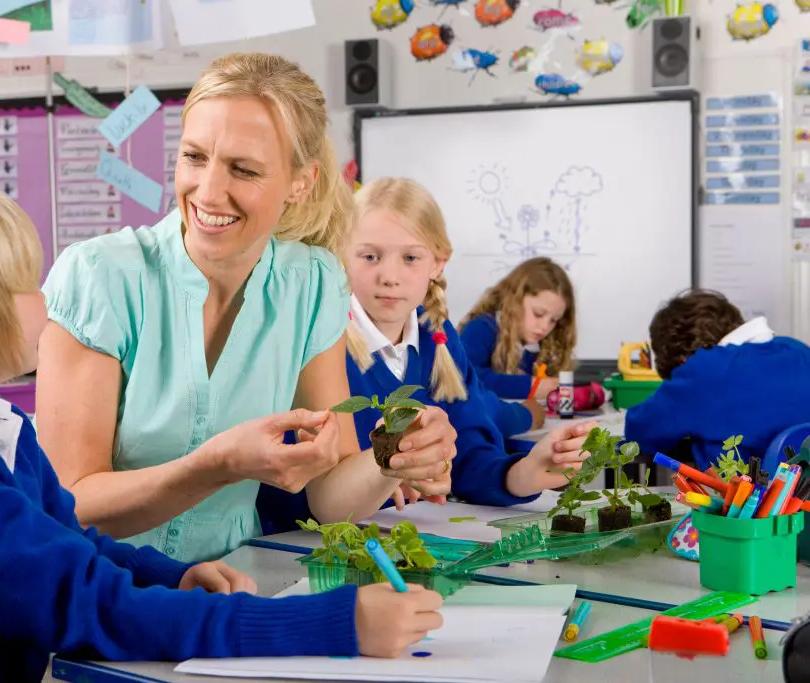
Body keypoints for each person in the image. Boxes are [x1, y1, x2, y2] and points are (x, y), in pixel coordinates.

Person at [0, 178, 445, 682]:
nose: (46, 299)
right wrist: (334, 625)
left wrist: (169, 576)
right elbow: (91, 608)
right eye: (25, 286)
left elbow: (73, 545)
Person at [36, 52, 457, 563]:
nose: (208, 191)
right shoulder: (102, 276)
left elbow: (329, 499)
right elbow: (69, 506)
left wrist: (394, 456)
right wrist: (220, 464)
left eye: (244, 169)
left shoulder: (313, 282)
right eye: (194, 157)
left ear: (300, 181)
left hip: (233, 586)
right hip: (99, 594)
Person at [341, 178, 594, 505]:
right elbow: (307, 482)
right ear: (343, 254)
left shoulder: (437, 335)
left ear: (438, 263)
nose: (390, 276)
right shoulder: (324, 339)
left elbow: (469, 456)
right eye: (370, 257)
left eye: (410, 258)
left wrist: (524, 473)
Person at [624, 289, 810, 471]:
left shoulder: (705, 368)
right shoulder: (798, 349)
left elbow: (639, 434)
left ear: (682, 359)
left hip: (746, 499)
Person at [457, 257, 576, 400]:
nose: (545, 327)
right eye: (538, 314)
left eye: (554, 320)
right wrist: (527, 386)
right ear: (515, 301)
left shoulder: (541, 345)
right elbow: (462, 377)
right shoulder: (481, 329)